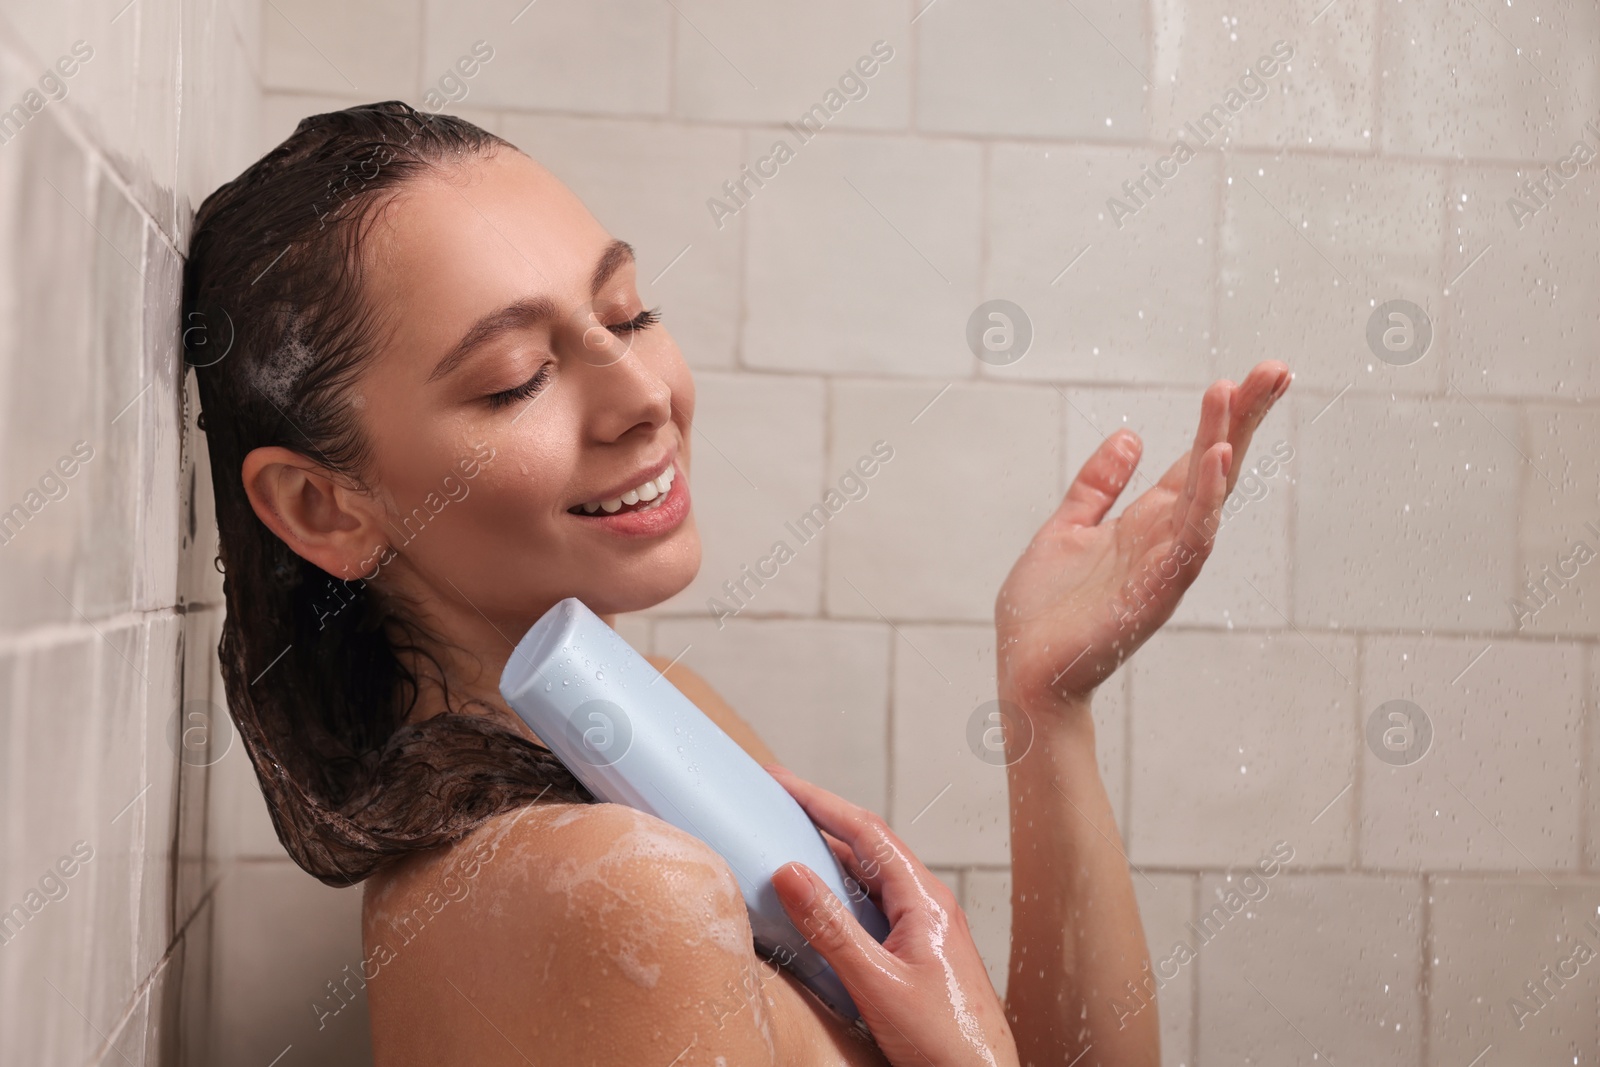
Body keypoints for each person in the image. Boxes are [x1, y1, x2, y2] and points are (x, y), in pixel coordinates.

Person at [182, 100, 1290, 1066]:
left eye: (627, 316)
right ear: (326, 507)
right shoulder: (606, 891)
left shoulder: (663, 732)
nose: (639, 397)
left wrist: (1046, 709)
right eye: (515, 379)